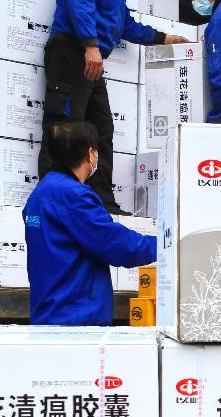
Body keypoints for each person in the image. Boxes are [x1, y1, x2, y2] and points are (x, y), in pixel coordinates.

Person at [38, 0, 190, 215]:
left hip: (89, 57)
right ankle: (51, 202)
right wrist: (90, 44)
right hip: (72, 50)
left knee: (101, 129)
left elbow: (122, 22)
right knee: (64, 127)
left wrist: (163, 38)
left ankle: (102, 204)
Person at [25, 120, 156, 325]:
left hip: (47, 314)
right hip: (76, 320)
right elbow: (117, 244)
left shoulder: (40, 193)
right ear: (89, 154)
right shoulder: (74, 196)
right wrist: (165, 244)